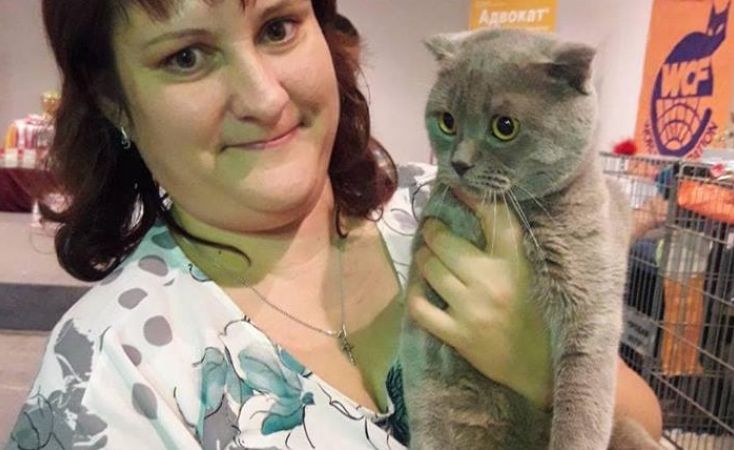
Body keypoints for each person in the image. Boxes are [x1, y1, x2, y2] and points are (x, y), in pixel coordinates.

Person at [7, 0, 662, 448]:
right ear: (113, 99)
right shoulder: (109, 373)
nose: (265, 98)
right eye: (186, 57)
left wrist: (536, 367)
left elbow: (644, 419)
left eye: (278, 27)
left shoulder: (443, 206)